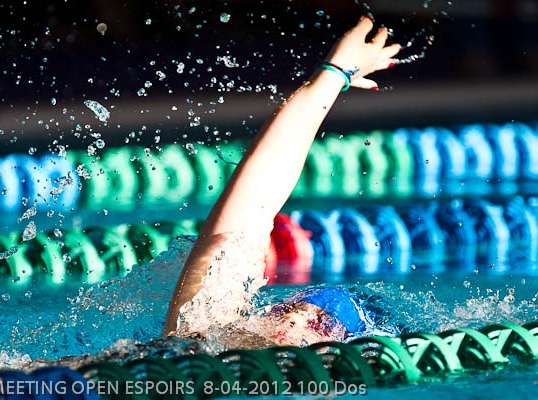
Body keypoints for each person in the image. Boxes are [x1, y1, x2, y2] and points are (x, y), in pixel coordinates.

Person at [163, 16, 402, 345]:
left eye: (321, 323)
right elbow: (249, 213)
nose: (294, 319)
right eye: (288, 308)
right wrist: (334, 74)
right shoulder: (202, 338)